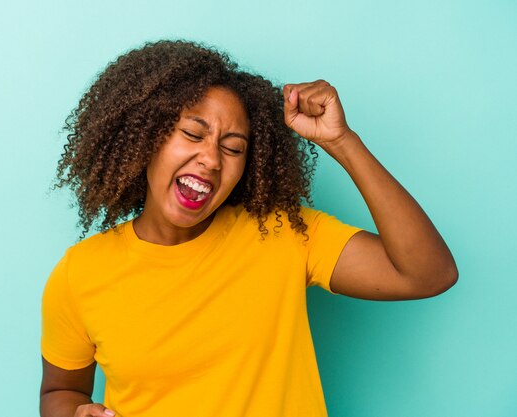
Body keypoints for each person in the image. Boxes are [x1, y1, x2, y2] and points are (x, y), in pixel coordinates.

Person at [40, 40, 458, 417]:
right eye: (192, 133)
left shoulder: (283, 233)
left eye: (233, 147)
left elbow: (429, 274)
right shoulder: (81, 274)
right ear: (145, 136)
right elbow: (61, 391)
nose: (212, 159)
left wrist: (340, 141)